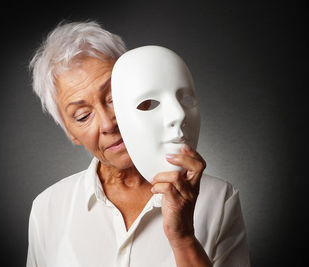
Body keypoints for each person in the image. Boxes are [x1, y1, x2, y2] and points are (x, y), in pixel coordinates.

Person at [27, 21, 250, 267]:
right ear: (71, 133)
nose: (108, 123)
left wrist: (184, 238)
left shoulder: (219, 200)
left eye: (113, 98)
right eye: (82, 116)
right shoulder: (47, 209)